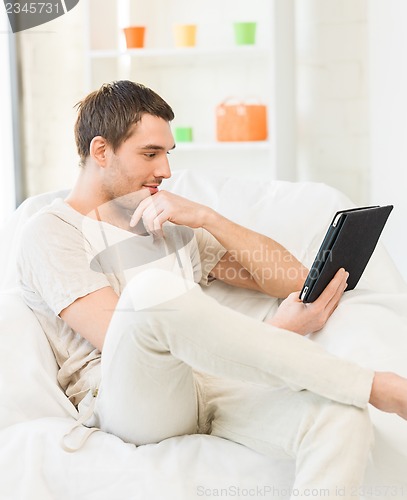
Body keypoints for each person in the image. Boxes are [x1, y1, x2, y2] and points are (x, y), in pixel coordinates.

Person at [17, 80, 407, 498]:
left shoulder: (165, 221)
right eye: (150, 153)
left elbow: (290, 277)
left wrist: (206, 217)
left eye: (167, 153)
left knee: (340, 417)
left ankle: (357, 397)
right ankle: (375, 386)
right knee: (152, 294)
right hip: (126, 396)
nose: (165, 170)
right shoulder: (50, 231)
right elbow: (119, 338)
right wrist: (278, 332)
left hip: (211, 386)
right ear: (101, 151)